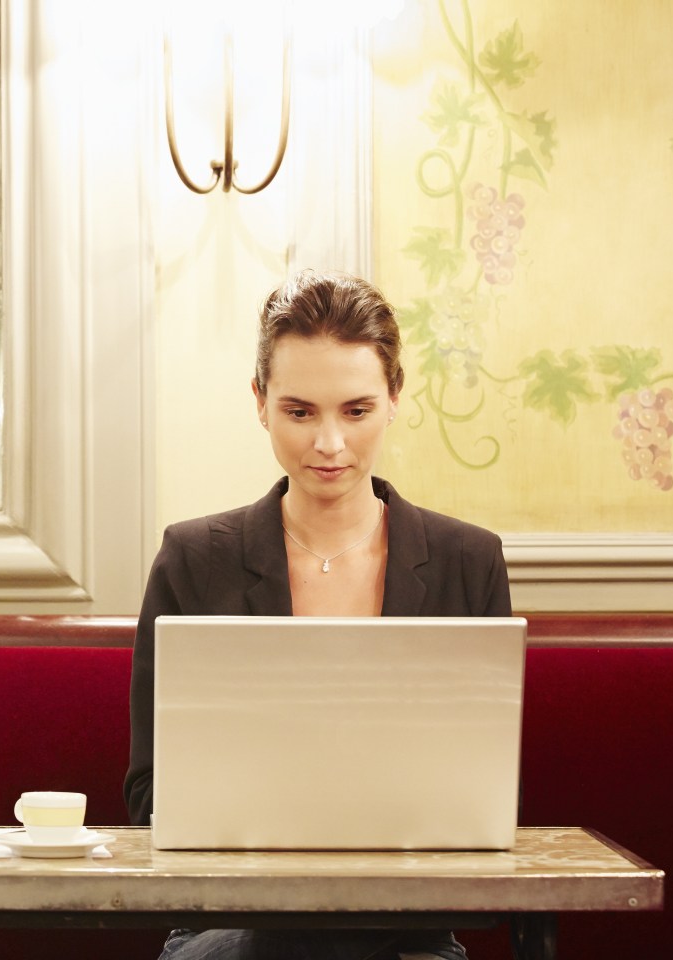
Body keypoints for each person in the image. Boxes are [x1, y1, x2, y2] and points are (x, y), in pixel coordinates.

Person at [123, 271, 511, 960]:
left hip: (406, 932)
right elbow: (148, 791)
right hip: (231, 925)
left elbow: (480, 792)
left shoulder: (466, 561)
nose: (329, 444)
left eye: (355, 411)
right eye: (300, 412)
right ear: (260, 402)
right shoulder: (192, 560)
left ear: (395, 397)